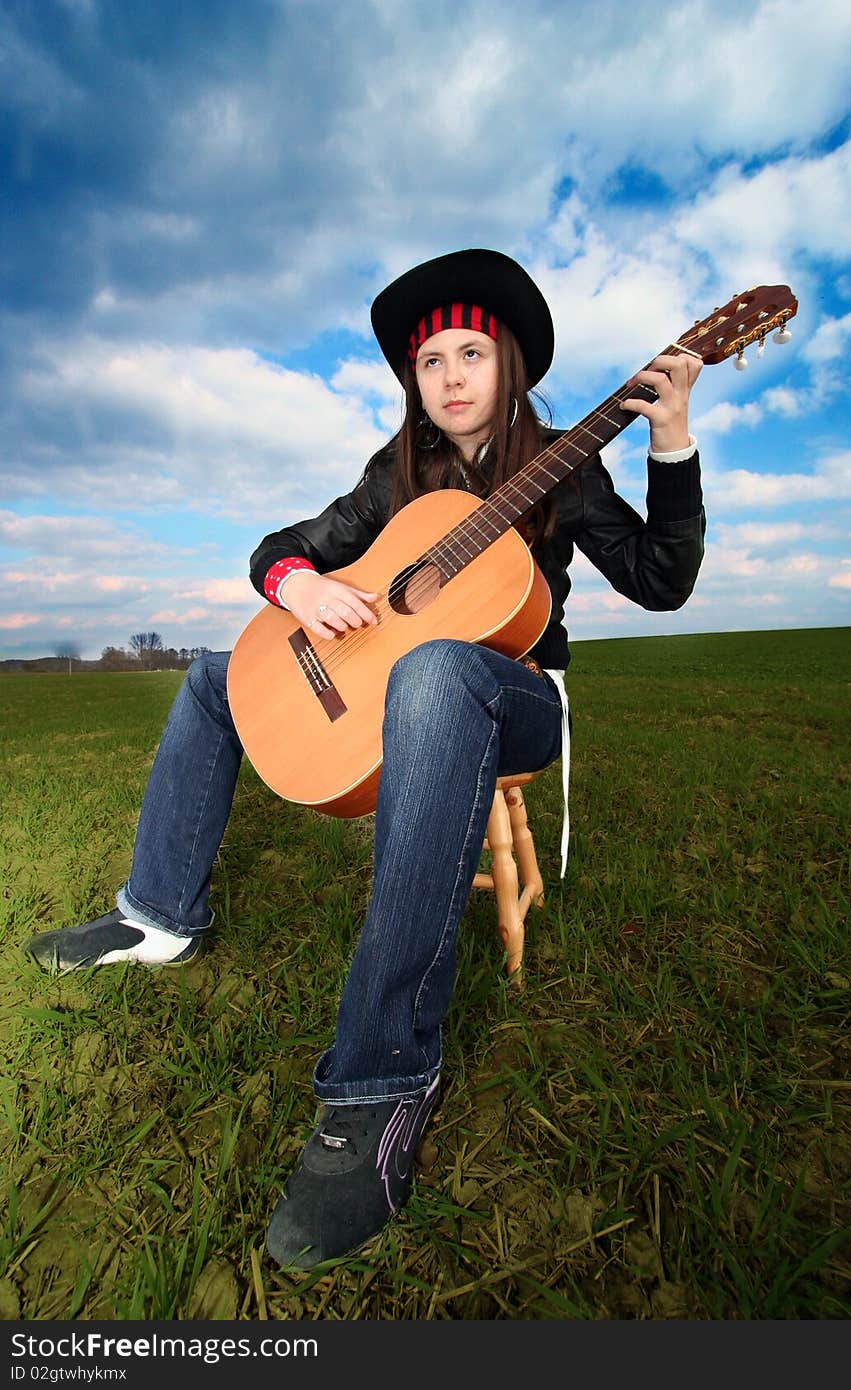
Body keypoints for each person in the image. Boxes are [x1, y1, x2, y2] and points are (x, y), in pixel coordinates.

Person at [24, 248, 705, 1269]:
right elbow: (280, 546)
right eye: (431, 362)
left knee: (437, 665)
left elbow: (662, 582)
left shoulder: (569, 463)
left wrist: (673, 439)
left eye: (471, 351)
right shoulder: (396, 478)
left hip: (514, 699)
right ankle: (157, 917)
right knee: (217, 673)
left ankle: (383, 1077)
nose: (452, 375)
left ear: (508, 364)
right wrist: (297, 587)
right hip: (412, 686)